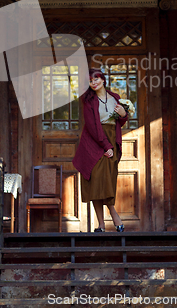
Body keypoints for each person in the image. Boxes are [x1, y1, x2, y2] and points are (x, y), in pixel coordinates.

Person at [73, 68, 128, 232]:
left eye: (96, 79)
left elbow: (119, 122)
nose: (94, 82)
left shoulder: (115, 98)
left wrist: (124, 114)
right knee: (96, 180)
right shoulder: (88, 100)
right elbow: (91, 126)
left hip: (112, 139)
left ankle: (107, 220)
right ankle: (106, 221)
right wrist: (106, 145)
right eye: (90, 81)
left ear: (103, 79)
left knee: (108, 181)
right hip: (95, 142)